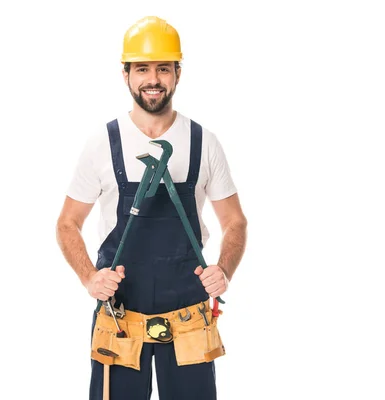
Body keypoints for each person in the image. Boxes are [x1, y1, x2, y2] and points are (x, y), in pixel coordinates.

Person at [56, 16, 248, 400]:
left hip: (189, 322)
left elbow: (235, 222)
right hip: (120, 319)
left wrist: (224, 270)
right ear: (126, 74)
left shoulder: (202, 142)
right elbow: (67, 224)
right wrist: (90, 278)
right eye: (142, 68)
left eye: (163, 68)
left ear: (177, 73)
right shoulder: (102, 143)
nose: (153, 78)